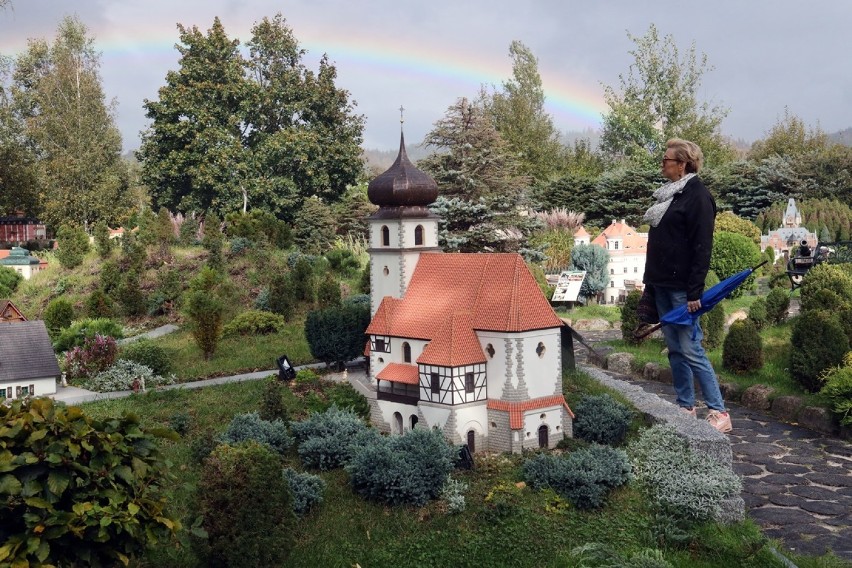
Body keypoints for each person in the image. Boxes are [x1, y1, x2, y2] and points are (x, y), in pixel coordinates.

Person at [642, 138, 731, 433]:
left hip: (682, 289)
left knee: (691, 348)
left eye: (666, 160)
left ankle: (719, 412)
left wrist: (694, 292)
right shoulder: (670, 196)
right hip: (663, 284)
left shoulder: (698, 197)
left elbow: (701, 247)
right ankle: (685, 406)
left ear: (682, 164)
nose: (662, 164)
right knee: (674, 349)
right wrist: (651, 285)